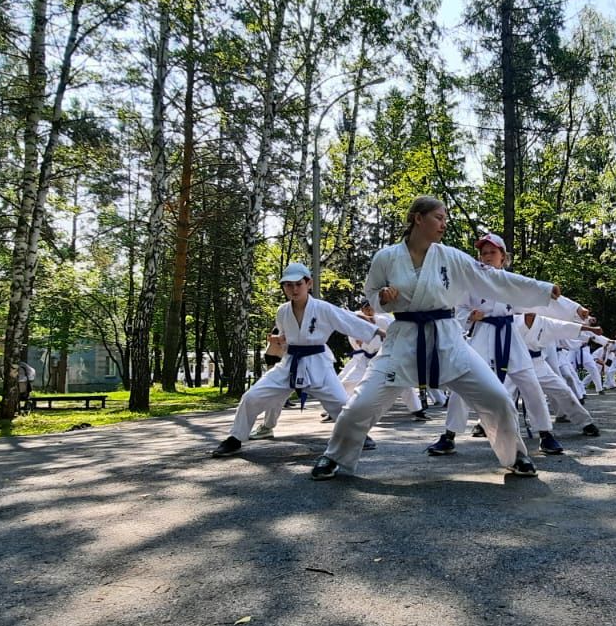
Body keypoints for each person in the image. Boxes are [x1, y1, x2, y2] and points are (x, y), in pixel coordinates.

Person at [310, 198, 561, 480]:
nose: (444, 224)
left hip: (447, 339)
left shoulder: (451, 257)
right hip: (403, 340)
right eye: (439, 218)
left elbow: (495, 279)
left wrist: (540, 289)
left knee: (497, 398)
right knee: (361, 403)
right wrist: (382, 298)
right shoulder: (387, 257)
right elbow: (372, 294)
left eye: (445, 218)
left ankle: (516, 456)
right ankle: (333, 456)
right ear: (418, 218)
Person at [428, 233, 580, 459]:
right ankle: (449, 435)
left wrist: (575, 310)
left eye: (493, 252)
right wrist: (471, 316)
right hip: (482, 334)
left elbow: (539, 296)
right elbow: (456, 309)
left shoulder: (511, 281)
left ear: (503, 257)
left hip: (510, 334)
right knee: (463, 380)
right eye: (484, 253)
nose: (487, 257)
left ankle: (546, 434)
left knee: (530, 383)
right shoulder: (471, 283)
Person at [211, 263, 381, 457]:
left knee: (341, 402)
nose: (294, 289)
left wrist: (377, 331)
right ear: (283, 287)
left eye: (298, 284)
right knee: (252, 397)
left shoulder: (322, 308)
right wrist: (279, 340)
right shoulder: (282, 311)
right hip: (289, 363)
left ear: (308, 283)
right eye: (288, 285)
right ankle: (235, 438)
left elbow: (346, 320)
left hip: (318, 363)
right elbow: (284, 336)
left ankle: (358, 436)